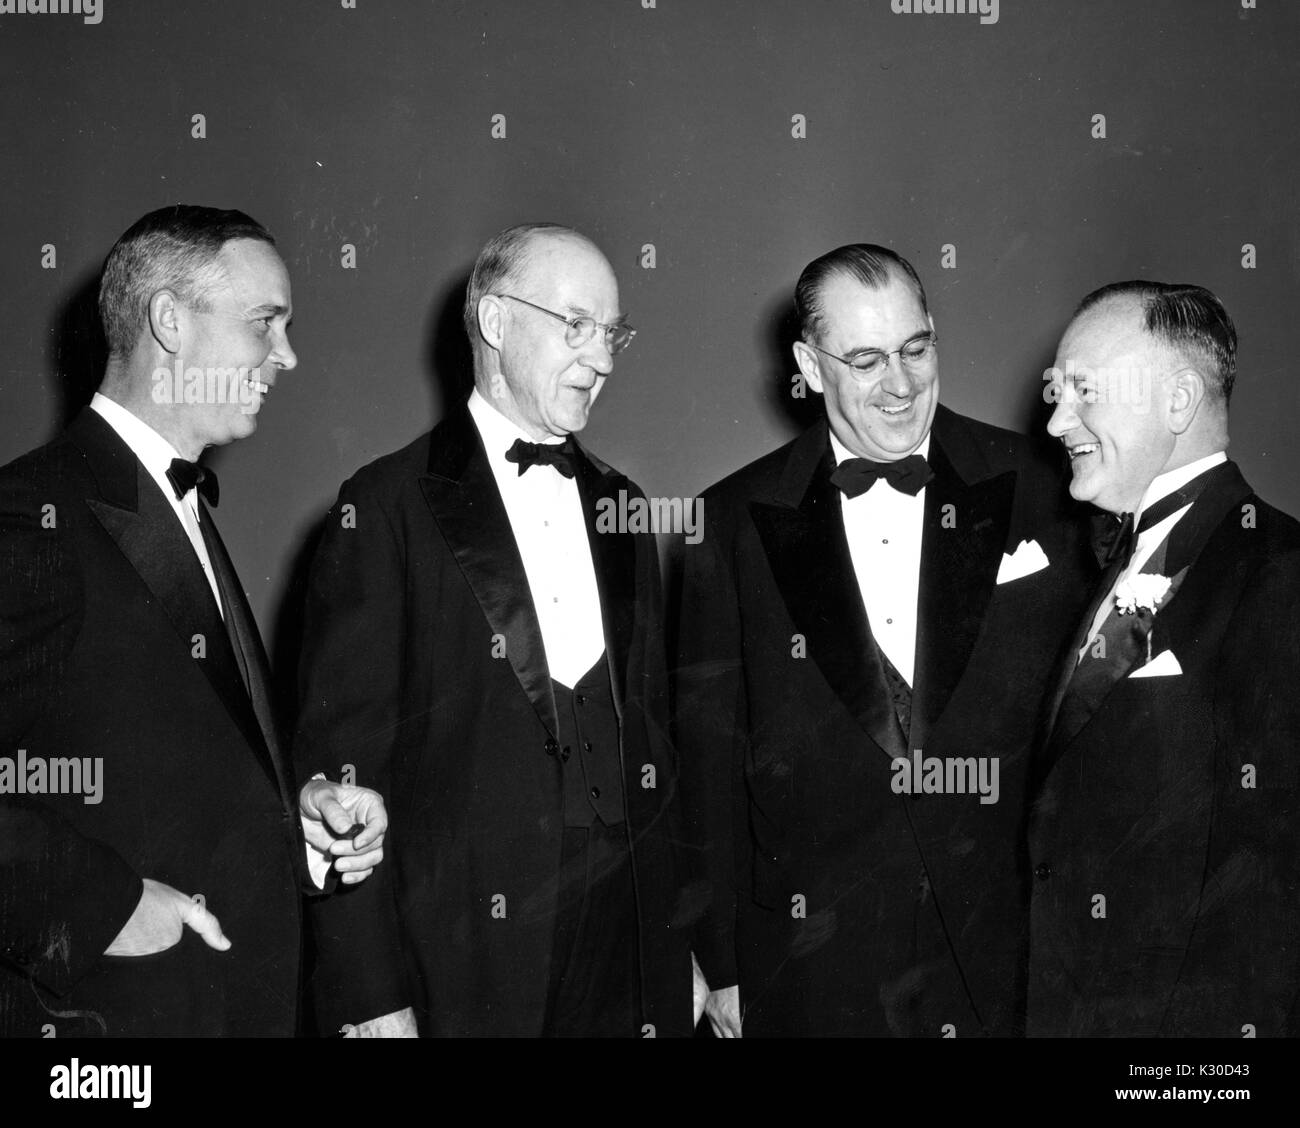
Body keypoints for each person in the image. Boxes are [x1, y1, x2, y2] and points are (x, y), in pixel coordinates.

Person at [676, 243, 1093, 1036]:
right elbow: (704, 761)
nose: (900, 384)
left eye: (915, 348)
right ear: (808, 361)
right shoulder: (725, 524)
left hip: (1007, 953)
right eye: (866, 360)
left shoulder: (1048, 490)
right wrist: (721, 963)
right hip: (808, 961)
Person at [0, 205, 388, 1038]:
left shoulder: (178, 513)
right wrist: (99, 907)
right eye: (265, 324)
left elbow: (184, 773)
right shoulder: (28, 512)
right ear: (169, 321)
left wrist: (301, 818)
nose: (287, 356)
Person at [294, 222, 689, 1038]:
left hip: (628, 949)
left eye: (613, 332)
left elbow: (655, 744)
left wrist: (680, 945)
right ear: (497, 322)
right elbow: (341, 775)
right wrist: (367, 991)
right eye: (576, 325)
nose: (605, 358)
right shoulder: (385, 504)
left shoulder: (626, 504)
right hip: (466, 962)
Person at [1030, 280, 1300, 1036]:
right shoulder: (1105, 561)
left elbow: (1273, 883)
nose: (1055, 421)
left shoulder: (1278, 569)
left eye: (1083, 390)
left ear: (1177, 403)